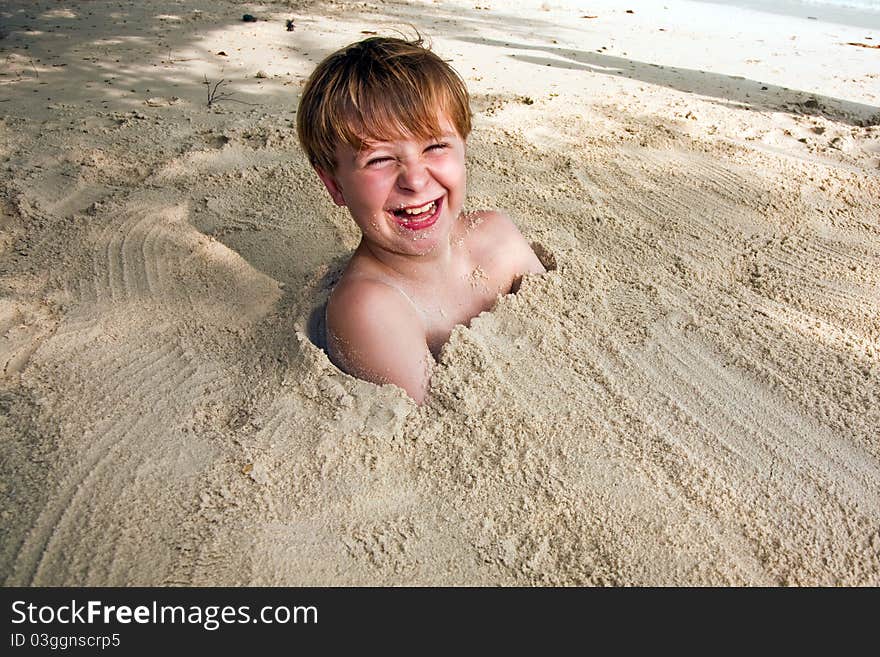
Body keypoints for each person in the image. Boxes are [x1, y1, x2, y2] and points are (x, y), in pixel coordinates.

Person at [297, 35, 545, 404]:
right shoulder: (369, 307)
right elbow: (436, 428)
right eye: (378, 159)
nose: (414, 179)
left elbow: (560, 335)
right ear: (334, 185)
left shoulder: (497, 238)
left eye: (435, 146)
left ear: (463, 148)